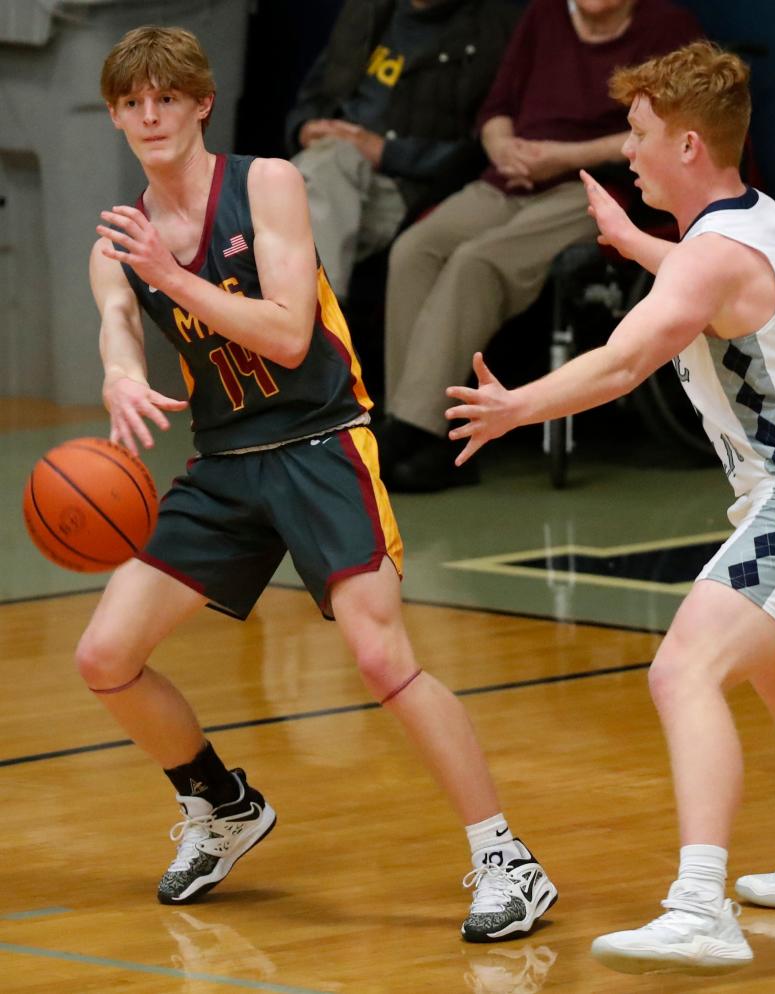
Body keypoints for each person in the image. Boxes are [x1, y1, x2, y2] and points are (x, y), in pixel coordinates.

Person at [78, 25, 556, 943]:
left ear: (201, 103)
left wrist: (172, 277)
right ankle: (222, 806)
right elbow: (116, 322)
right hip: (223, 465)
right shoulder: (122, 242)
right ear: (113, 115)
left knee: (382, 658)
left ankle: (506, 858)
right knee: (104, 656)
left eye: (168, 98)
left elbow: (290, 334)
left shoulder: (267, 184)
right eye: (133, 102)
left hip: (321, 442)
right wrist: (118, 375)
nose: (151, 115)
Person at [445, 40, 775, 970]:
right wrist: (636, 243)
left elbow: (623, 361)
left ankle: (700, 905)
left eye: (641, 133)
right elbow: (709, 282)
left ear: (689, 147)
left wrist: (514, 406)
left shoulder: (707, 262)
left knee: (680, 669)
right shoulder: (766, 220)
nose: (629, 150)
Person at [378, 0, 702, 492]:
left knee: (477, 262)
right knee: (415, 248)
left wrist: (563, 157)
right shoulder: (544, 16)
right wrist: (502, 148)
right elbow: (496, 109)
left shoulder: (666, 26)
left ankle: (409, 433)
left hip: (591, 184)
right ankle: (427, 431)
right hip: (511, 177)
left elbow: (668, 133)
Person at [284, 0, 520, 300]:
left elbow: (477, 155)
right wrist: (305, 128)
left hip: (403, 190)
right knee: (314, 175)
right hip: (328, 170)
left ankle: (304, 328)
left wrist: (386, 151)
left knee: (280, 213)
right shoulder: (367, 10)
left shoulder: (495, 28)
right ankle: (312, 330)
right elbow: (314, 99)